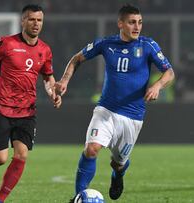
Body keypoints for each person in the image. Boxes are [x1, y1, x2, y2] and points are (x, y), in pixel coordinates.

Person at [55, 4, 175, 201]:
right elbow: (77, 58)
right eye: (132, 22)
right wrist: (65, 80)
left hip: (133, 117)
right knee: (91, 149)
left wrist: (157, 86)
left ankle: (118, 174)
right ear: (120, 23)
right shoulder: (106, 44)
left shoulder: (148, 45)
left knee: (118, 163)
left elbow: (169, 72)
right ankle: (79, 197)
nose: (137, 27)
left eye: (139, 22)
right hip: (106, 111)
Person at [0, 4, 61, 203]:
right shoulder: (6, 43)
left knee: (21, 155)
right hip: (2, 108)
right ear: (23, 21)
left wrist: (52, 92)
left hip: (26, 111)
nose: (36, 24)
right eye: (31, 19)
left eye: (39, 20)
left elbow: (48, 77)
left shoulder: (45, 50)